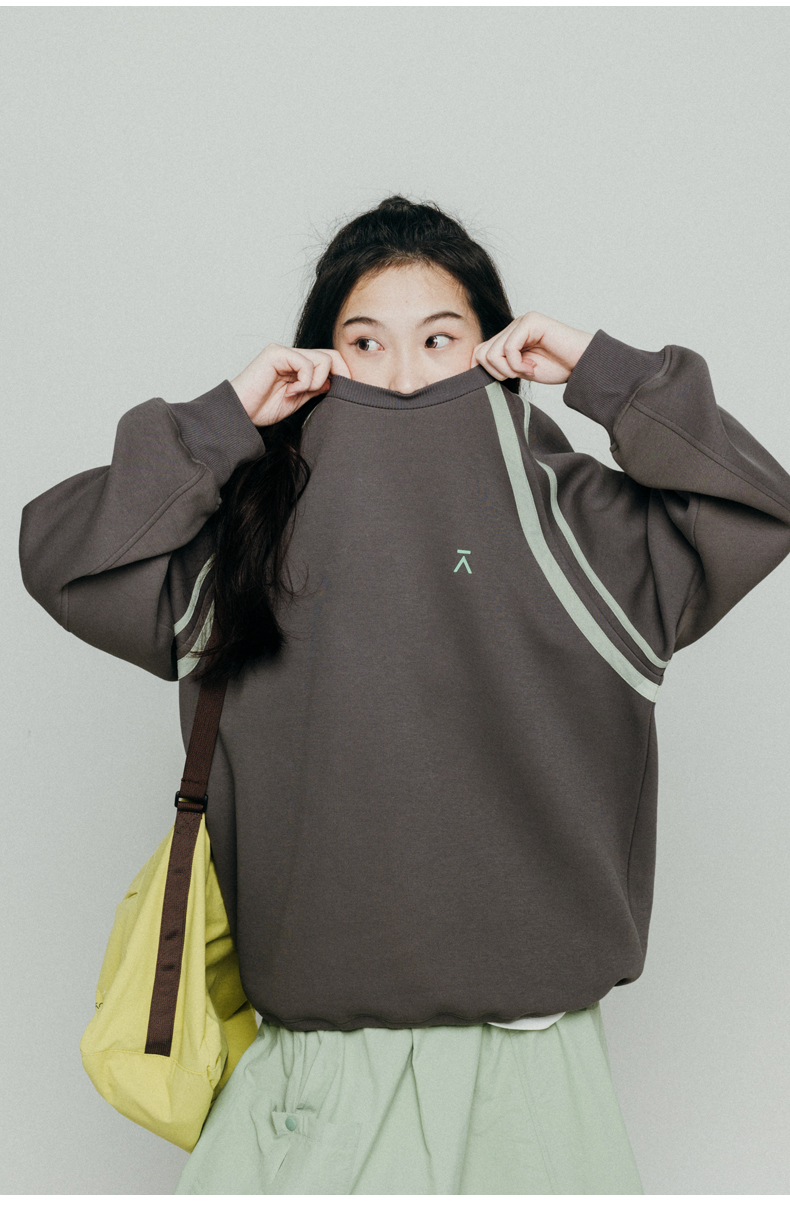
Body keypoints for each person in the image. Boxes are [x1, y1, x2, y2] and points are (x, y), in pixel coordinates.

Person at [18, 195, 790, 1195]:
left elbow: (753, 505)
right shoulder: (250, 537)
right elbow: (64, 557)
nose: (404, 374)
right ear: (318, 360)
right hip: (315, 1076)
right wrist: (224, 420)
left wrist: (599, 371)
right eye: (365, 343)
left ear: (497, 348)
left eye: (439, 339)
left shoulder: (580, 530)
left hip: (535, 1073)